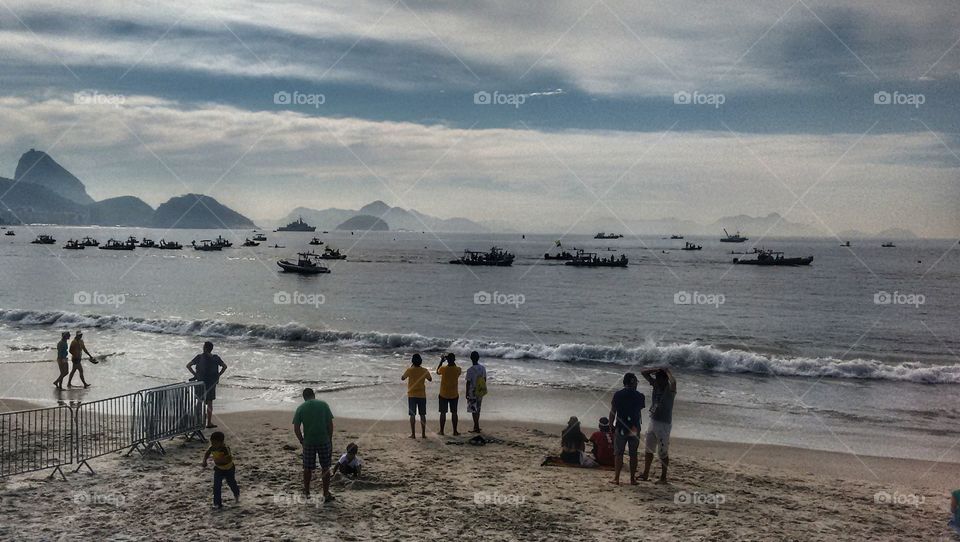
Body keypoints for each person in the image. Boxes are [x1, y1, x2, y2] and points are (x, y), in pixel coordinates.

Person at [293, 388, 335, 502]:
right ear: (313, 395)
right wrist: (329, 438)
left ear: (304, 397)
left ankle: (307, 492)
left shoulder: (301, 408)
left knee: (307, 468)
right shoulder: (323, 405)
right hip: (323, 440)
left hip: (309, 441)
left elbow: (296, 428)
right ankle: (325, 493)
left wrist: (301, 440)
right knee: (325, 467)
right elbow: (330, 424)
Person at [640, 367, 677, 484]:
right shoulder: (656, 385)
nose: (657, 381)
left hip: (664, 424)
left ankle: (663, 477)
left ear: (665, 380)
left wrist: (667, 371)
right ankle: (645, 473)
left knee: (663, 452)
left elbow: (673, 382)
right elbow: (643, 373)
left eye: (659, 379)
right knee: (648, 449)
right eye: (657, 379)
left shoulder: (669, 390)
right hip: (653, 420)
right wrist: (657, 369)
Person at [609, 372, 645, 485]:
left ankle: (617, 478)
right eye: (636, 382)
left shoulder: (618, 394)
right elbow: (639, 412)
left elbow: (613, 411)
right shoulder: (639, 396)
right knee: (633, 454)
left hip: (621, 426)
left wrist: (611, 425)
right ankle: (632, 479)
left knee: (619, 453)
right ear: (633, 382)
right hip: (634, 427)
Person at [186, 341, 227, 428]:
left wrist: (195, 374)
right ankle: (209, 422)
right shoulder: (216, 358)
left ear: (204, 348)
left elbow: (188, 365)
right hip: (211, 383)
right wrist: (218, 375)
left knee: (199, 402)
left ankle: (198, 422)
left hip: (200, 383)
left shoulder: (199, 357)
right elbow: (224, 366)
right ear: (211, 349)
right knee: (210, 402)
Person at [202, 431, 240, 509]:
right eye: (212, 442)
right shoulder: (212, 447)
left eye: (215, 443)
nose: (213, 445)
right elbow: (207, 453)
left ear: (221, 442)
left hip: (229, 469)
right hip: (219, 469)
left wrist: (220, 460)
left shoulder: (225, 449)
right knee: (217, 486)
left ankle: (236, 494)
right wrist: (204, 461)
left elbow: (229, 459)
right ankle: (217, 503)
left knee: (231, 483)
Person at [402, 354, 432, 439]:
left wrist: (411, 367)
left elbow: (402, 378)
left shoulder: (409, 370)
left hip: (412, 395)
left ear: (412, 362)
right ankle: (423, 434)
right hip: (422, 395)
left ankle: (413, 434)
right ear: (421, 361)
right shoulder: (424, 370)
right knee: (422, 414)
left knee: (412, 415)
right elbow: (430, 379)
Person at [436, 353, 462, 436]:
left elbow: (437, 371)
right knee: (454, 413)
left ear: (447, 360)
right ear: (454, 360)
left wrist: (441, 361)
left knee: (443, 413)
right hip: (454, 394)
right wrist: (451, 361)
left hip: (443, 393)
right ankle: (455, 431)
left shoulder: (443, 369)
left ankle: (442, 431)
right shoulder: (458, 369)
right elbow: (457, 370)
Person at [465, 351, 487, 433]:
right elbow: (484, 379)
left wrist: (466, 393)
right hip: (480, 391)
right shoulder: (482, 368)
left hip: (472, 392)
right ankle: (476, 426)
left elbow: (468, 382)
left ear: (471, 358)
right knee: (478, 409)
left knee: (473, 410)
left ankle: (476, 427)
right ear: (478, 358)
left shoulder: (470, 370)